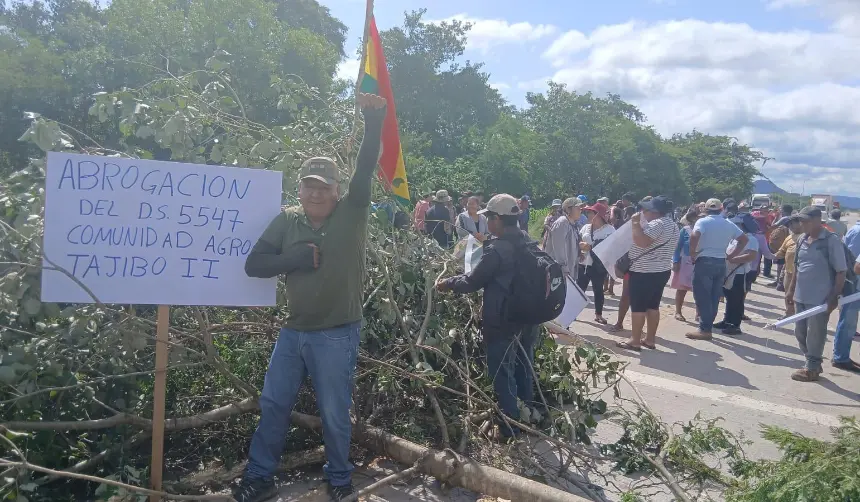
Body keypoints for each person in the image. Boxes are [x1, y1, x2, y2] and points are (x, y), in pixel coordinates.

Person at [236, 93, 387, 502]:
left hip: (336, 333)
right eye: (309, 186)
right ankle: (260, 476)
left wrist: (374, 123)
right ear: (299, 189)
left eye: (324, 187)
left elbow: (365, 168)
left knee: (335, 413)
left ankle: (339, 479)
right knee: (273, 405)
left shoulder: (352, 211)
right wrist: (295, 258)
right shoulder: (288, 220)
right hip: (293, 333)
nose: (316, 193)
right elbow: (255, 265)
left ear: (337, 190)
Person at [436, 194, 541, 438]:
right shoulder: (528, 241)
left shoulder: (498, 249)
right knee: (524, 365)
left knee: (502, 371)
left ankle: (510, 427)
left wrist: (446, 283)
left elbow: (473, 281)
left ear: (496, 219)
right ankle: (529, 414)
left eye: (489, 218)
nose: (488, 223)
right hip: (528, 317)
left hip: (503, 320)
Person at [787, 206, 848, 382]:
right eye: (801, 220)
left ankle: (812, 367)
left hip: (820, 299)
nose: (801, 224)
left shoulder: (830, 240)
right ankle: (811, 361)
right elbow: (797, 268)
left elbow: (841, 271)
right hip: (801, 295)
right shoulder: (801, 239)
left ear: (817, 220)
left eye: (805, 221)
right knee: (800, 332)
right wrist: (791, 290)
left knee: (816, 333)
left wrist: (833, 297)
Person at [616, 196, 680, 351]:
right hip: (661, 270)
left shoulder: (657, 224)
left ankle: (635, 340)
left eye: (645, 210)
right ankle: (650, 339)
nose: (642, 212)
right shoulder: (672, 225)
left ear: (654, 212)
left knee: (638, 307)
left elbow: (642, 242)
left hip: (645, 271)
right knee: (653, 306)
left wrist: (636, 224)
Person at [685, 199, 749, 341]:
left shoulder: (703, 222)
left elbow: (695, 235)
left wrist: (692, 252)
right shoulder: (728, 223)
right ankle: (707, 325)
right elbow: (744, 239)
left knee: (702, 296)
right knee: (714, 296)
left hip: (705, 260)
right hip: (721, 261)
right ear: (721, 209)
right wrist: (730, 255)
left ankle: (705, 329)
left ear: (706, 210)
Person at [713, 215, 760, 335]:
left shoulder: (751, 239)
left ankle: (735, 324)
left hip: (739, 273)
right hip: (730, 272)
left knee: (737, 299)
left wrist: (733, 259)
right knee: (730, 298)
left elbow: (751, 255)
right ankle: (727, 321)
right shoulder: (735, 238)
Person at [578, 202, 615, 324]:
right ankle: (572, 313)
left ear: (598, 215)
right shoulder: (585, 227)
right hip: (583, 264)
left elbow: (609, 247)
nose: (588, 214)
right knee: (579, 290)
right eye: (588, 212)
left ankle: (598, 314)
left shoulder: (610, 230)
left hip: (598, 266)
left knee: (598, 290)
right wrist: (580, 249)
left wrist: (591, 247)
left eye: (590, 212)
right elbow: (577, 240)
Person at [832, 254, 860, 372]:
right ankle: (840, 358)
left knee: (849, 323)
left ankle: (841, 356)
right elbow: (857, 267)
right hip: (856, 290)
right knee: (848, 323)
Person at [671, 209, 701, 322]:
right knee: (681, 289)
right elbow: (678, 248)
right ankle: (678, 312)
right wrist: (675, 261)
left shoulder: (705, 230)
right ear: (693, 218)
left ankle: (699, 313)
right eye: (699, 217)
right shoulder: (685, 230)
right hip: (685, 262)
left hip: (700, 261)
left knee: (699, 290)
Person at [545, 197, 583, 281]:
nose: (580, 210)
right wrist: (564, 268)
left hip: (569, 271)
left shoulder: (573, 224)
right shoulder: (562, 223)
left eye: (580, 208)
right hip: (560, 272)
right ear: (568, 209)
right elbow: (559, 248)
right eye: (577, 208)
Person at [775, 216, 803, 318]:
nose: (790, 226)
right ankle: (788, 313)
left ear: (800, 223)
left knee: (800, 297)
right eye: (789, 224)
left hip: (801, 274)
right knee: (788, 294)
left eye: (792, 224)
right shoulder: (789, 237)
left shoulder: (806, 237)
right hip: (789, 271)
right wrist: (772, 255)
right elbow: (782, 251)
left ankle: (799, 316)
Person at [767, 205, 794, 289]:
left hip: (783, 243)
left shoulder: (784, 218)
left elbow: (772, 227)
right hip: (791, 242)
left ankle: (779, 282)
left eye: (781, 210)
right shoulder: (792, 218)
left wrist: (776, 217)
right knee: (786, 265)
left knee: (780, 265)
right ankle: (781, 282)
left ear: (784, 210)